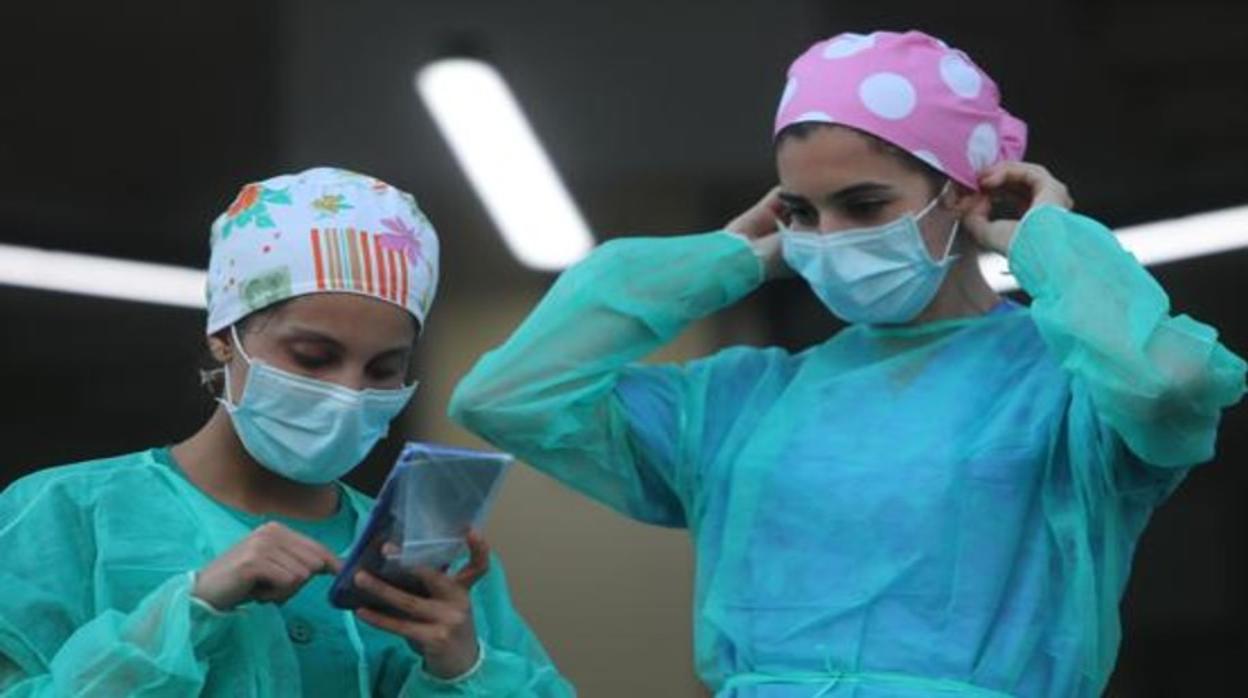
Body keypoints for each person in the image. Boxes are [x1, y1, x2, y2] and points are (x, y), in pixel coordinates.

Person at [449, 31, 1246, 697]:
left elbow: (1169, 384)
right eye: (801, 212)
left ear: (967, 193)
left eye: (864, 205)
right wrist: (725, 259)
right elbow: (506, 396)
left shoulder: (1070, 389)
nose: (827, 238)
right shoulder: (740, 402)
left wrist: (1051, 244)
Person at [0, 167, 574, 696]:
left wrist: (464, 669)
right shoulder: (64, 515)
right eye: (313, 357)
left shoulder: (428, 566)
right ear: (223, 336)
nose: (348, 392)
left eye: (383, 370)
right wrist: (188, 612)